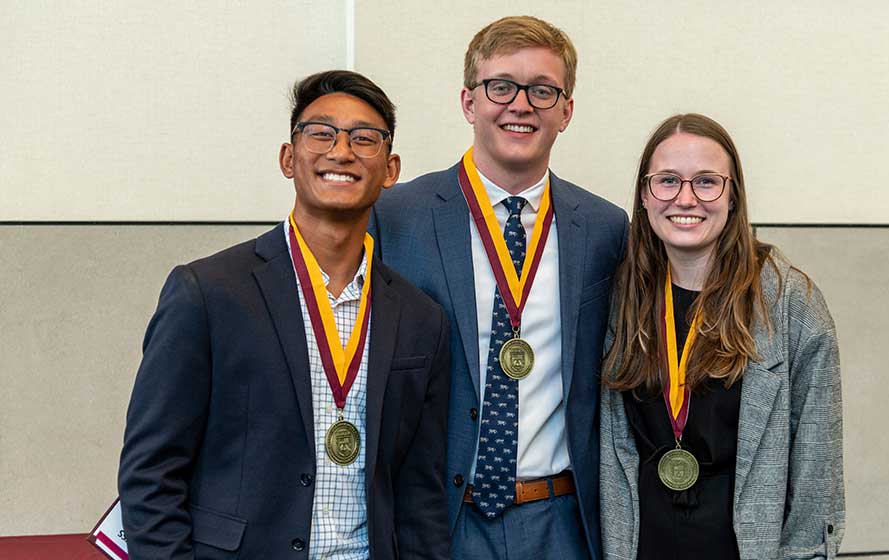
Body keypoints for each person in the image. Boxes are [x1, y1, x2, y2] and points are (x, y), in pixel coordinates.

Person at [118, 70, 451, 560]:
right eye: (321, 133)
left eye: (365, 139)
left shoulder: (421, 318)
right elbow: (150, 473)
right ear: (288, 158)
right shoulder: (208, 293)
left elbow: (421, 494)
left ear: (390, 169)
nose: (341, 151)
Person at [371, 15, 628, 560]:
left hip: (563, 520)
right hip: (440, 520)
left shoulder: (605, 229)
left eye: (543, 90)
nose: (521, 104)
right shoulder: (395, 219)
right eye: (501, 86)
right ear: (469, 102)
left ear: (566, 111)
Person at [599, 114, 845, 559]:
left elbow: (816, 485)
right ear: (644, 195)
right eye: (667, 181)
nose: (686, 198)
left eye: (707, 182)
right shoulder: (618, 297)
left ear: (733, 196)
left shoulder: (791, 306)